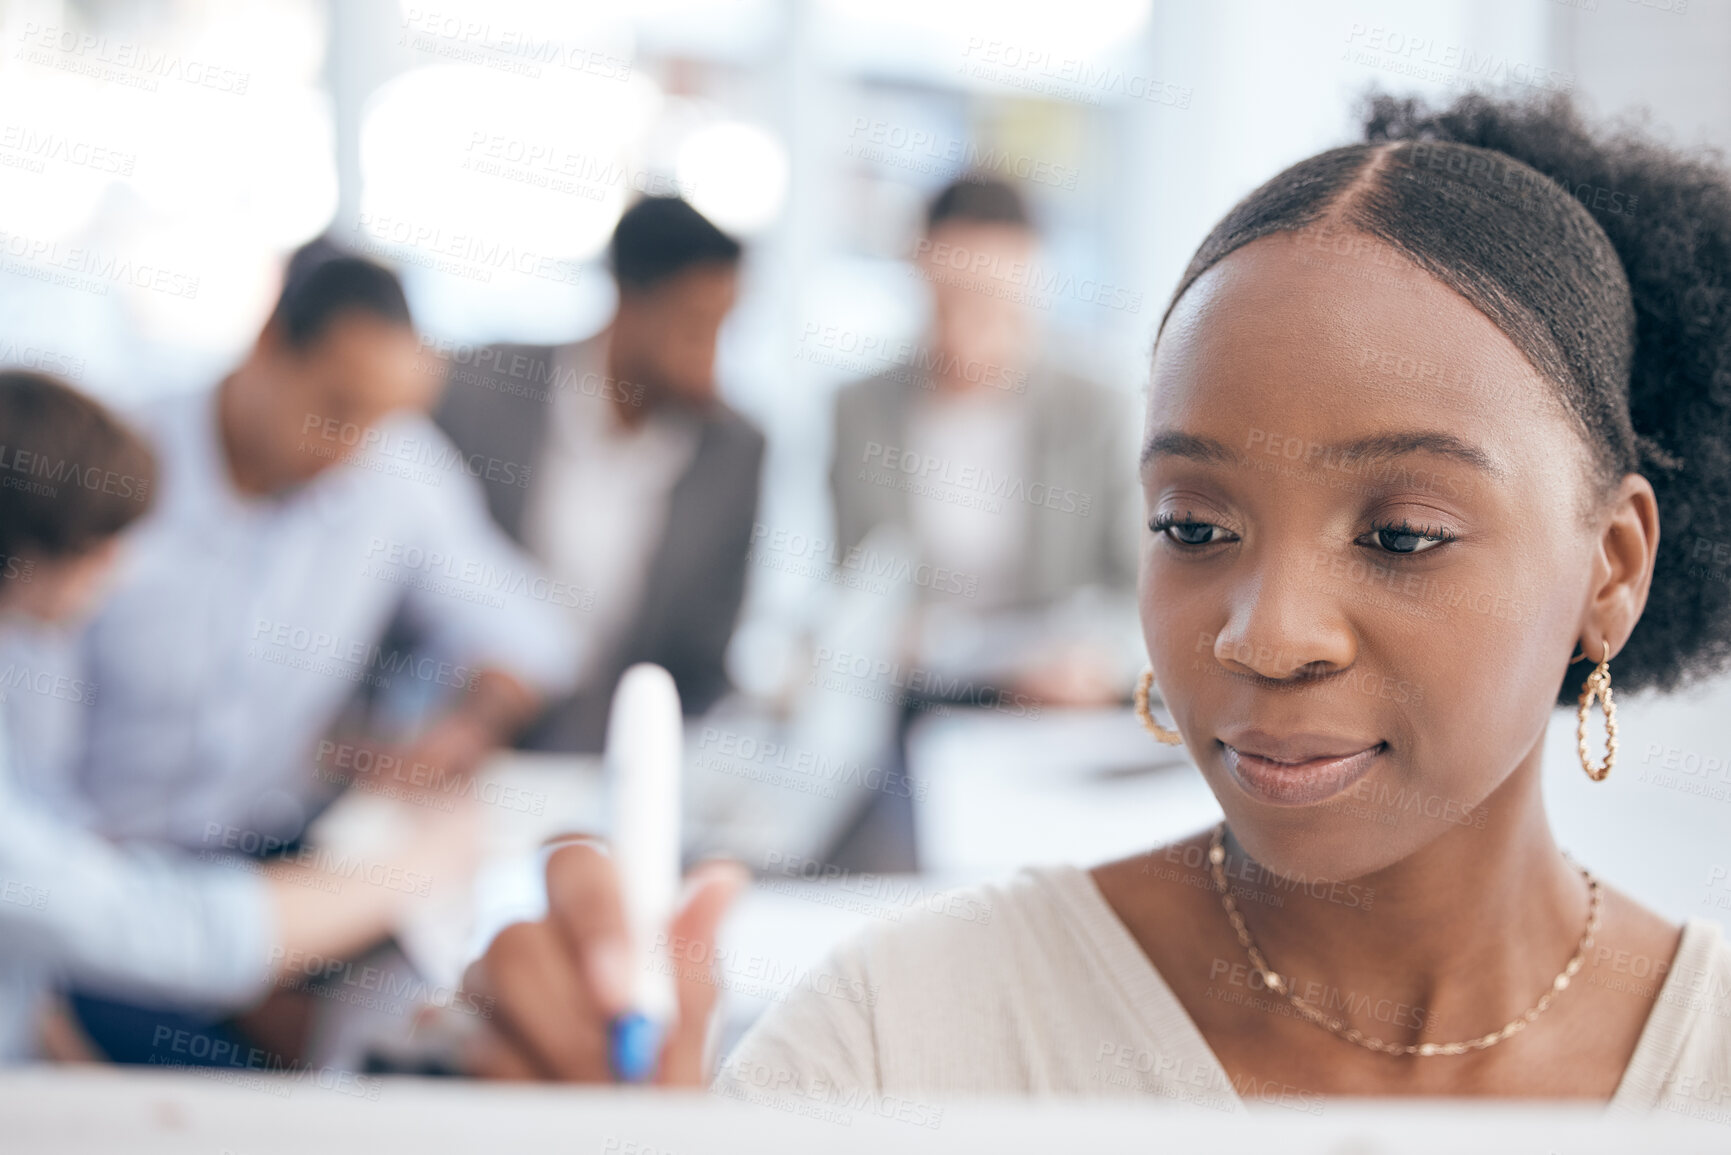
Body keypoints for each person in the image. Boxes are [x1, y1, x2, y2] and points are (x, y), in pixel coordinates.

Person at [456, 92, 1731, 1112]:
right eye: (1195, 525)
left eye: (1401, 534)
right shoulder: (898, 1045)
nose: (1263, 631)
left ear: (1610, 569)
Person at [27, 246, 577, 853]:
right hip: (94, 871)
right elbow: (32, 785)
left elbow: (537, 637)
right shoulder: (114, 473)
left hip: (277, 859)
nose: (354, 449)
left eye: (381, 420)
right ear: (268, 345)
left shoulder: (392, 469)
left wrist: (470, 722)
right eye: (336, 410)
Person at [0, 370, 475, 1063]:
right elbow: (168, 929)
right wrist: (420, 865)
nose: (124, 570)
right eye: (104, 546)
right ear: (30, 560)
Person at [434, 195, 765, 753]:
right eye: (695, 328)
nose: (710, 363)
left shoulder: (732, 451)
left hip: (616, 760)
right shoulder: (481, 392)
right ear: (628, 306)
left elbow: (705, 666)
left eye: (723, 329)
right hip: (457, 741)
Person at [829, 175, 1142, 708]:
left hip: (1050, 706)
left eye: (993, 309)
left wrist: (1099, 661)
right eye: (947, 304)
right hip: (911, 698)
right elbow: (852, 581)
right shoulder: (861, 408)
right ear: (918, 274)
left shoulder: (1096, 408)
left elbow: (1140, 589)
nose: (965, 336)